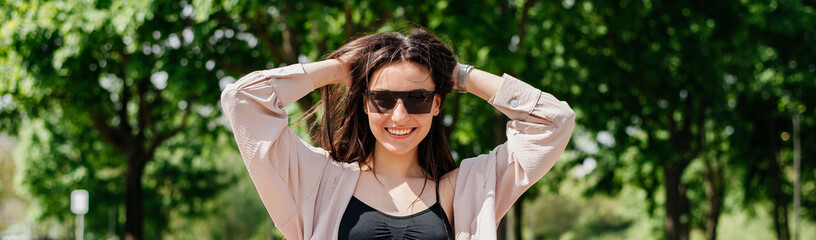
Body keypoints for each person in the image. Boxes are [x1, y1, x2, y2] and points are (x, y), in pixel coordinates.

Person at [220, 29, 575, 240]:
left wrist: (458, 75)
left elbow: (553, 121)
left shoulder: (466, 189)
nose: (400, 115)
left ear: (437, 104)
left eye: (418, 98)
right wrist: (341, 68)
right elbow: (243, 100)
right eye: (383, 99)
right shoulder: (318, 182)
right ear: (363, 103)